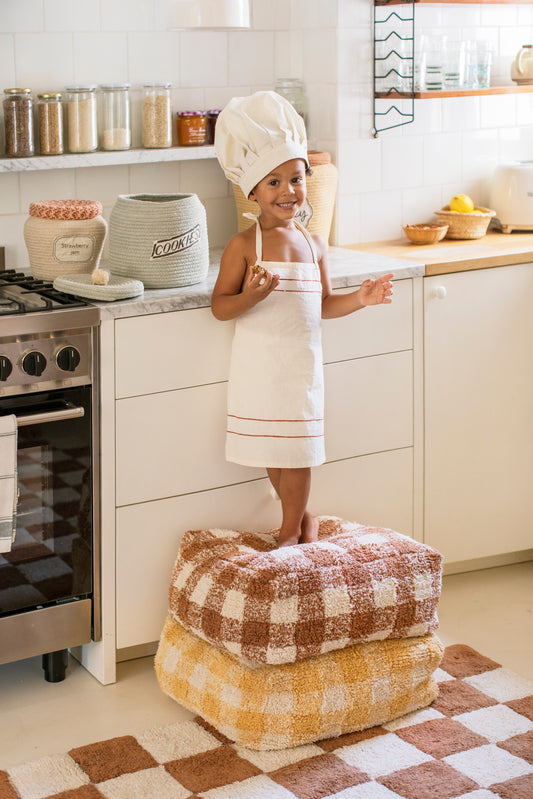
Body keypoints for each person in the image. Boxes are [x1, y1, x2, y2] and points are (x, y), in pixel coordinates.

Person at [212, 91, 393, 547]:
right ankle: (305, 517)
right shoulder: (242, 246)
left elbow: (323, 306)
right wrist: (250, 295)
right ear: (252, 190)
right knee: (274, 453)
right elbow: (220, 307)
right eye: (273, 183)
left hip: (299, 369)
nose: (288, 192)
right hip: (259, 368)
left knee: (296, 454)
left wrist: (361, 299)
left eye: (295, 179)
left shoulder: (315, 245)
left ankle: (290, 530)